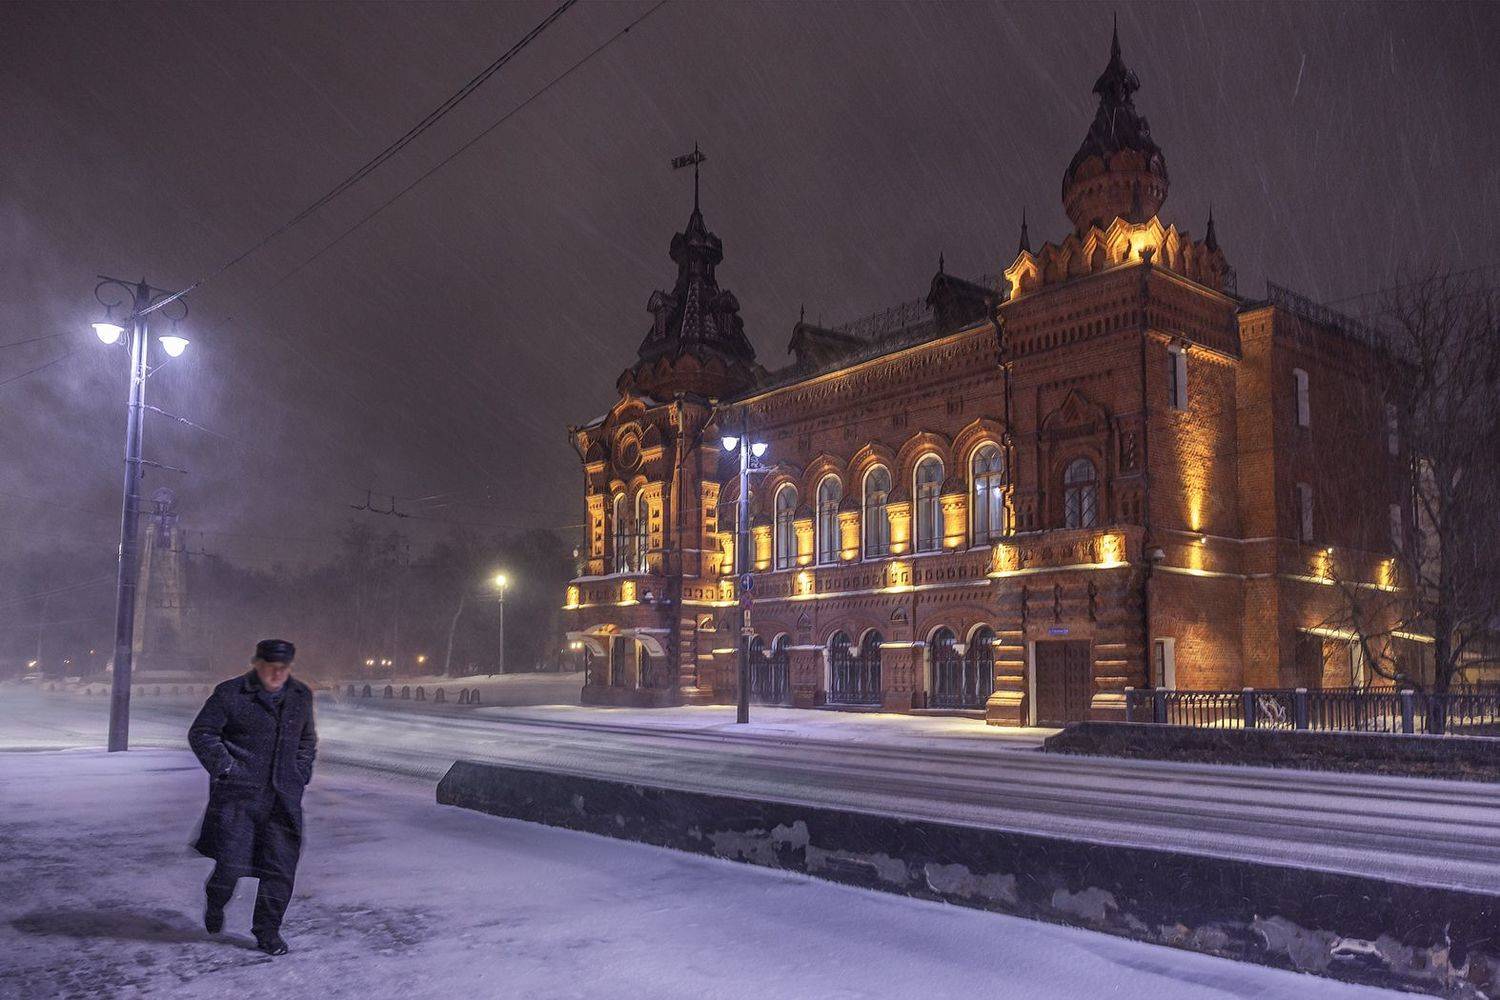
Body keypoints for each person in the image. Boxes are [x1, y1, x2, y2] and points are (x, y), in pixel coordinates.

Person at [188, 639, 317, 955]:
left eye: (283, 669)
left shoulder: (300, 696)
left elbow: (307, 740)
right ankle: (216, 899)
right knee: (231, 864)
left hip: (284, 799)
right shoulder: (231, 693)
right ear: (257, 664)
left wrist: (300, 774)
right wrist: (226, 768)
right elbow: (202, 733)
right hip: (239, 798)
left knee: (281, 870)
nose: (277, 674)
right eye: (271, 667)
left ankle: (267, 932)